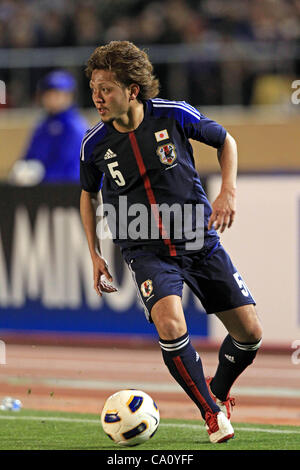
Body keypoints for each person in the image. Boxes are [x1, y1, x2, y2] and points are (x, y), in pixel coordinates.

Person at [79, 41, 263, 444]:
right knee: (170, 323)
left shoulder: (174, 114)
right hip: (145, 250)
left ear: (132, 90)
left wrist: (227, 191)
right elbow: (87, 195)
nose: (97, 96)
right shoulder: (94, 144)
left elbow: (225, 140)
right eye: (93, 87)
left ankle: (217, 390)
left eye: (106, 87)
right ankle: (211, 413)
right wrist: (94, 253)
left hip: (199, 240)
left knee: (250, 334)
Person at [9, 70, 89, 185]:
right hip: (40, 191)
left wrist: (42, 176)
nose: (52, 98)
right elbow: (30, 155)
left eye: (57, 94)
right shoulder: (42, 125)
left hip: (68, 190)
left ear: (69, 96)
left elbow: (70, 166)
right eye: (48, 94)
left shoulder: (75, 126)